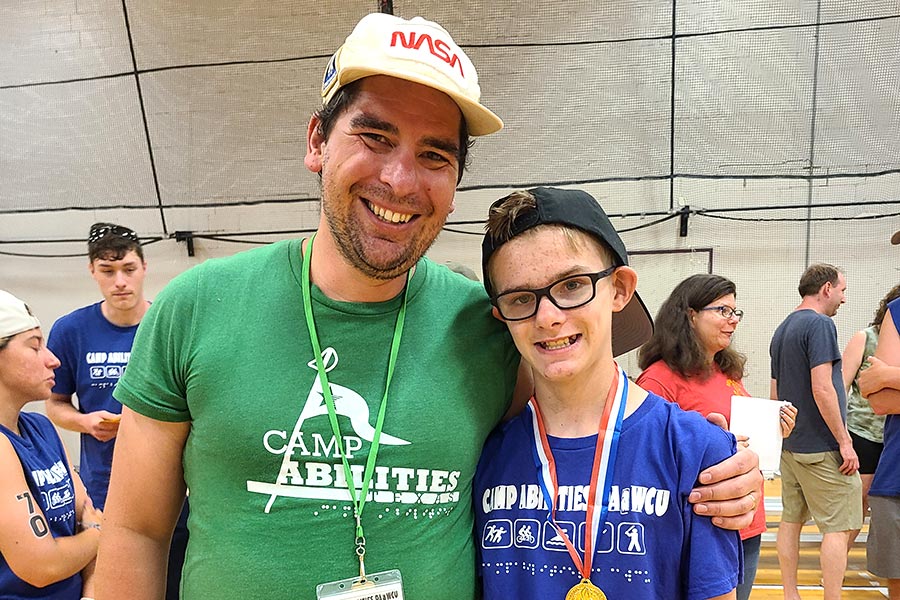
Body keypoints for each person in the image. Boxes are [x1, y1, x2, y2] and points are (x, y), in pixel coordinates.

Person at [94, 13, 761, 599]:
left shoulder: (490, 324)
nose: (400, 179)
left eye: (434, 154)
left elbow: (584, 429)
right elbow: (136, 530)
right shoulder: (195, 306)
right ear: (318, 142)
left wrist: (720, 473)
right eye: (375, 137)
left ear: (454, 183)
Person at [475, 187, 741, 599]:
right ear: (501, 315)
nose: (547, 317)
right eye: (521, 298)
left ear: (619, 288)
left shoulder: (699, 451)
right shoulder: (486, 454)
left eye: (571, 285)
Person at [46, 223, 188, 599]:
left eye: (128, 269)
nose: (120, 282)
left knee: (173, 583)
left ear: (144, 267)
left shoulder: (167, 326)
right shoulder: (71, 330)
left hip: (175, 485)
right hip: (105, 487)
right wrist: (85, 422)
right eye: (108, 272)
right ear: (93, 272)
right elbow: (55, 406)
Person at [636, 273, 797, 600]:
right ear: (690, 314)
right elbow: (646, 464)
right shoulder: (658, 380)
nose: (733, 321)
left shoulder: (725, 372)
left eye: (736, 312)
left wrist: (777, 427)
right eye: (723, 311)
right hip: (701, 527)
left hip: (746, 520)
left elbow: (742, 434)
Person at [0, 289, 103, 598]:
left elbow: (86, 510)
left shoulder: (42, 428)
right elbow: (43, 565)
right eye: (35, 347)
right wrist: (100, 531)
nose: (53, 360)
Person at [770, 263, 862, 600]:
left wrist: (780, 438)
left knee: (790, 521)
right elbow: (823, 388)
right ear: (826, 289)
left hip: (791, 446)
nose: (843, 298)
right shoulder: (820, 325)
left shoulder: (783, 329)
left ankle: (790, 594)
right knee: (840, 528)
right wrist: (845, 441)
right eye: (842, 290)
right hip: (822, 448)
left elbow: (775, 393)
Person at [842, 284, 900, 523]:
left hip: (885, 435)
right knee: (861, 500)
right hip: (865, 431)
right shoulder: (865, 338)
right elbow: (843, 386)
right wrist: (841, 434)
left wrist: (888, 376)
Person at [858, 290, 900, 599]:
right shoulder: (896, 311)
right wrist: (884, 379)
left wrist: (890, 375)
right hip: (895, 478)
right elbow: (882, 399)